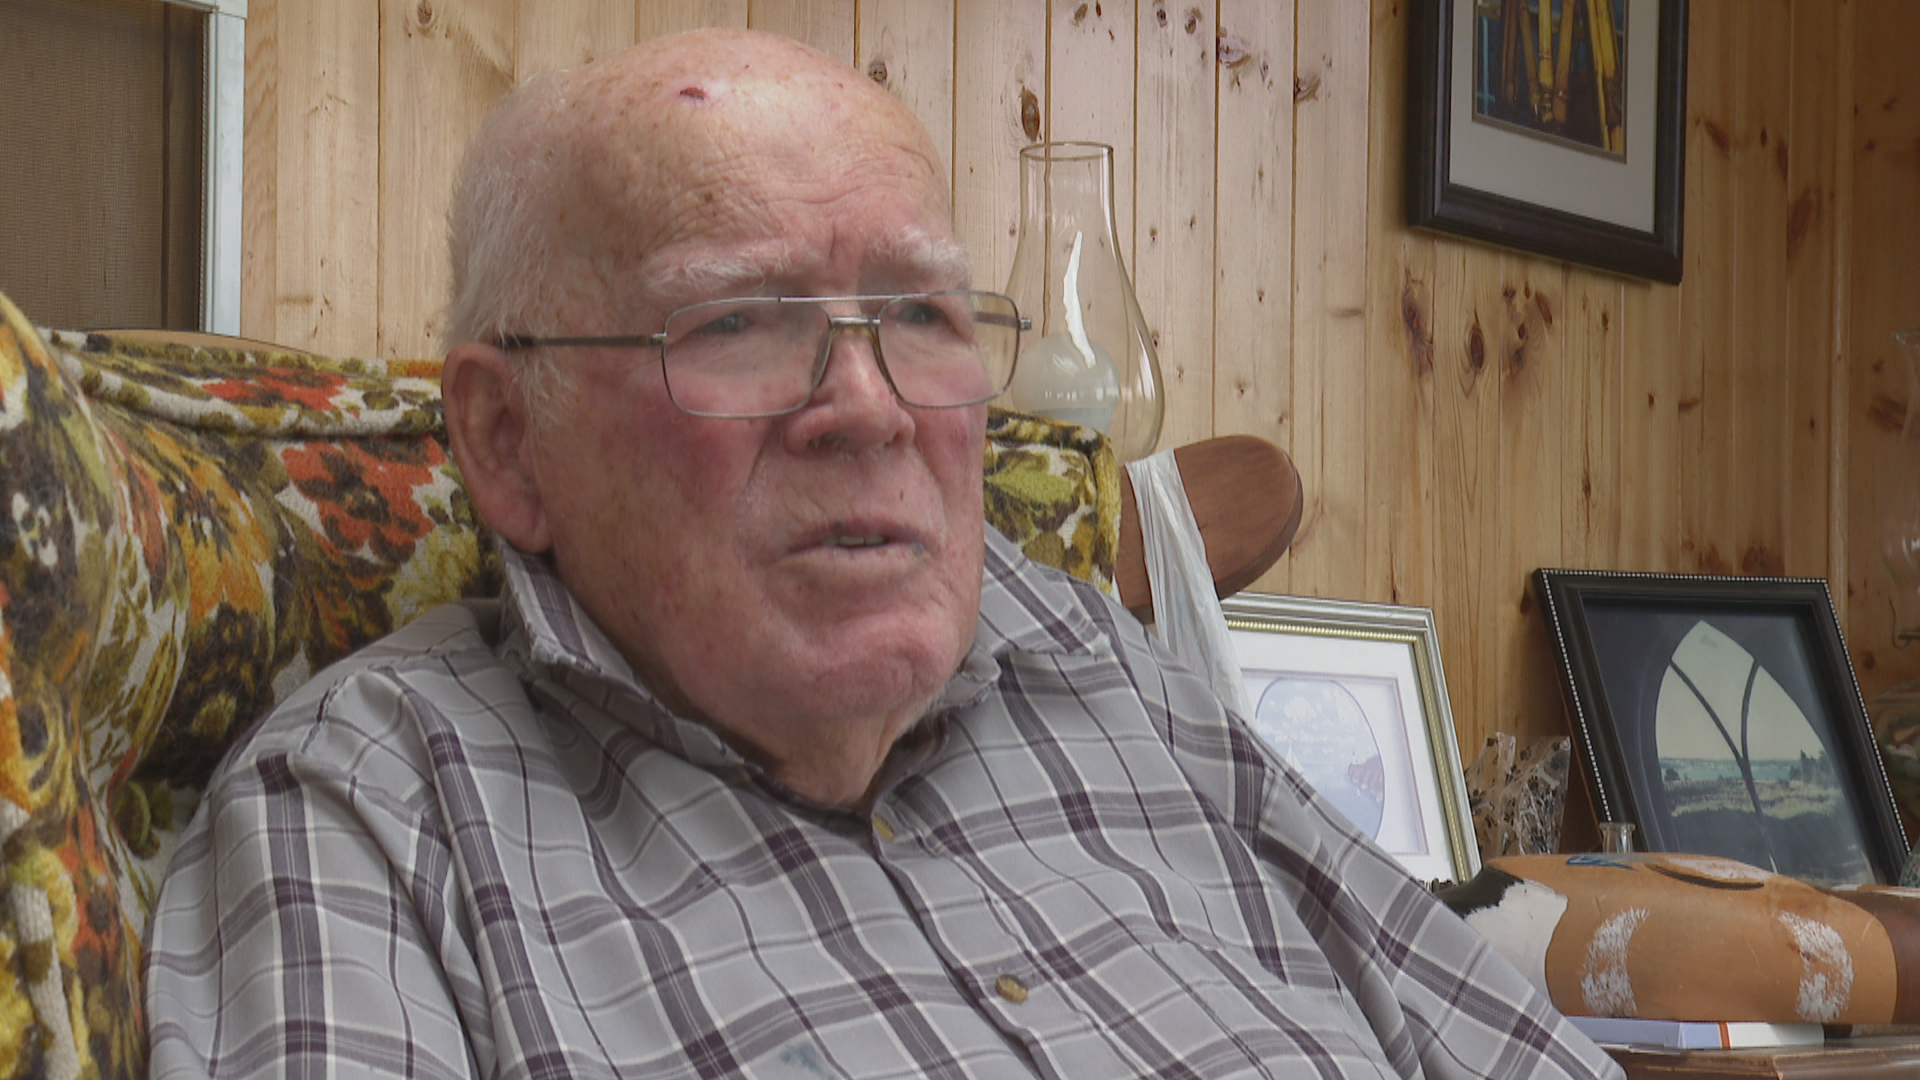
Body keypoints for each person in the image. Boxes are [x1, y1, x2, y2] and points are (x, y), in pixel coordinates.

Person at [145, 28, 1623, 1080]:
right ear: (508, 440)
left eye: (920, 317)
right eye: (737, 321)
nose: (867, 408)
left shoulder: (1096, 663)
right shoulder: (372, 806)